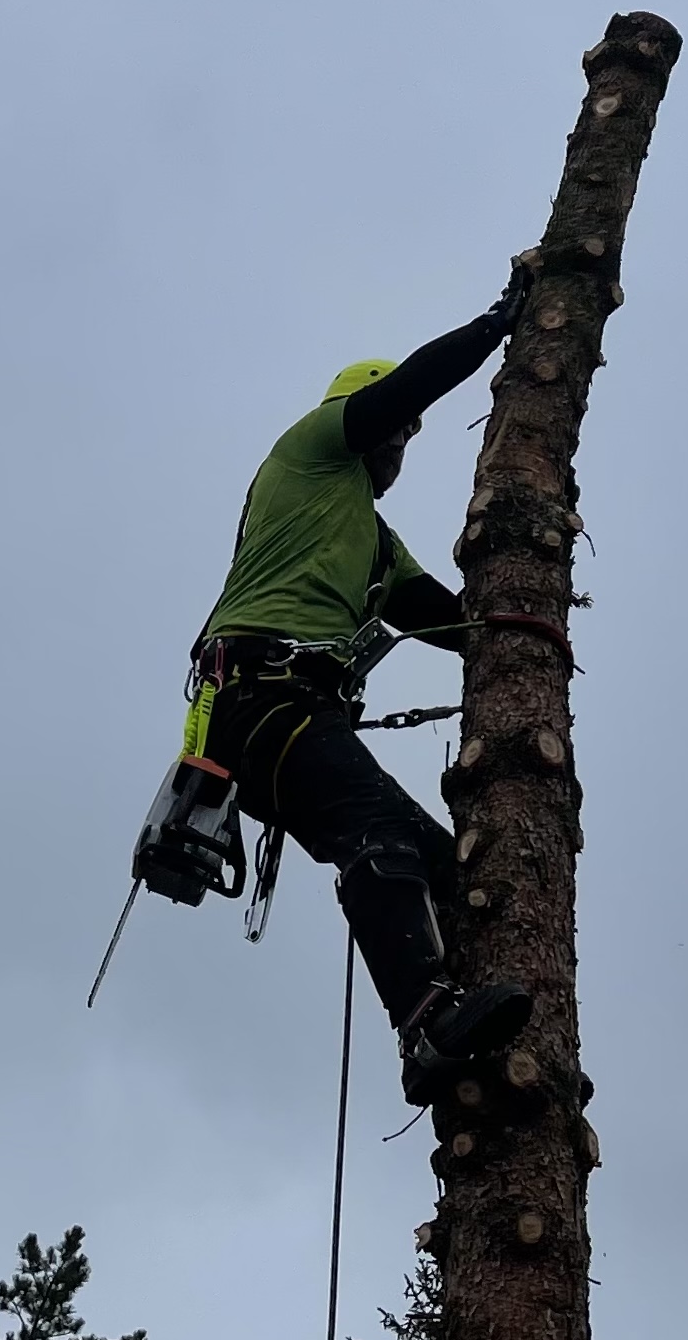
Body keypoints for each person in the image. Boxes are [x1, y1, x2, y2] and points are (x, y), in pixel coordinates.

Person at [187, 263, 536, 1106]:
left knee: (430, 856)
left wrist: (529, 631)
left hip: (294, 710)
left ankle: (470, 1033)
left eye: (408, 439)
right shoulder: (309, 451)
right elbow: (408, 384)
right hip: (258, 697)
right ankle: (426, 1024)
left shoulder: (374, 544)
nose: (398, 448)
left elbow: (447, 622)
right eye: (396, 432)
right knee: (375, 829)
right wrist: (496, 329)